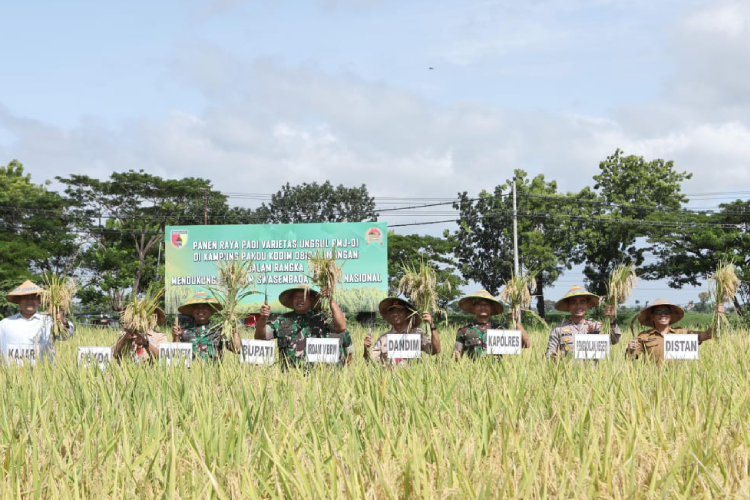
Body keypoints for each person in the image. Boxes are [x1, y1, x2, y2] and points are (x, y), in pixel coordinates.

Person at [255, 286, 353, 367]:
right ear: (292, 300)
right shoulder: (281, 320)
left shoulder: (323, 318)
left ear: (311, 299)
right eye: (296, 297)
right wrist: (263, 318)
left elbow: (341, 327)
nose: (300, 299)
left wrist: (331, 299)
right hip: (291, 380)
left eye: (304, 296)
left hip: (319, 379)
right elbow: (260, 337)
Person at [626, 299, 723, 364]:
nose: (663, 315)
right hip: (653, 381)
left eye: (667, 312)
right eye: (658, 312)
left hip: (679, 382)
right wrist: (630, 349)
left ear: (671, 315)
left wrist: (718, 316)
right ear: (652, 317)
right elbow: (632, 357)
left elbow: (708, 334)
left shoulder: (682, 333)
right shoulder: (644, 336)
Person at [0, 280, 75, 362]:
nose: (30, 301)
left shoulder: (49, 321)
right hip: (11, 373)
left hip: (42, 373)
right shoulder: (5, 324)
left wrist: (62, 321)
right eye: (25, 298)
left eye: (34, 298)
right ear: (19, 300)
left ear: (39, 301)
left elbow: (65, 336)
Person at [545, 286, 620, 359]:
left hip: (593, 371)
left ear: (587, 305)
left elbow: (614, 340)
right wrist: (552, 356)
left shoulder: (597, 326)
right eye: (573, 302)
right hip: (567, 370)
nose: (578, 306)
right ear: (568, 305)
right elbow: (549, 353)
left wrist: (611, 321)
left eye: (582, 302)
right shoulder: (558, 329)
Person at [453, 290, 530, 359]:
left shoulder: (500, 329)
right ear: (473, 308)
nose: (483, 307)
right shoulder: (464, 331)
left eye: (486, 304)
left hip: (497, 373)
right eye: (479, 304)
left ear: (491, 308)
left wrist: (516, 322)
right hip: (473, 373)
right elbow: (456, 355)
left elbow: (525, 344)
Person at [363, 297, 440, 365]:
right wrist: (366, 349)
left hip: (413, 379)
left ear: (407, 313)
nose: (395, 314)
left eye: (399, 310)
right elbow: (370, 362)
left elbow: (435, 350)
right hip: (389, 379)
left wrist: (432, 326)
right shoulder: (383, 339)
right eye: (392, 311)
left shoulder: (417, 334)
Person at [172, 291, 241, 361]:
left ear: (210, 310)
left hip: (213, 371)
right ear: (192, 311)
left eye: (204, 307)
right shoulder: (184, 331)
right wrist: (175, 338)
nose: (200, 310)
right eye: (197, 307)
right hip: (191, 371)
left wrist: (234, 327)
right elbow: (175, 355)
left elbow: (237, 349)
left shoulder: (219, 330)